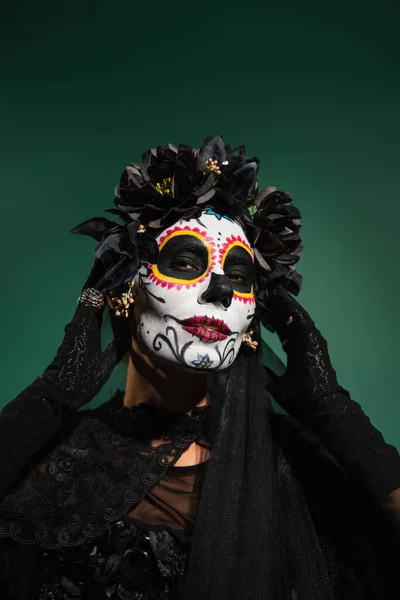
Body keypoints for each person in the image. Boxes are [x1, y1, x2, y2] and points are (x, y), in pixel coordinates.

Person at [0, 136, 399, 600]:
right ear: (123, 291)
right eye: (186, 261)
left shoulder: (296, 461)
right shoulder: (56, 461)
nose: (220, 289)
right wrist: (49, 398)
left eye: (240, 275)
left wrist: (333, 411)